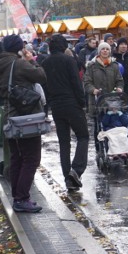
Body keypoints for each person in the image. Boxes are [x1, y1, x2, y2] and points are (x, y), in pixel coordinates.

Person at [0, 34, 47, 213]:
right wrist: (32, 60)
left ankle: (17, 196)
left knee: (17, 157)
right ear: (18, 47)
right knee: (32, 158)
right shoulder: (19, 64)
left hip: (10, 115)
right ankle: (22, 198)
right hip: (26, 118)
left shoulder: (0, 64)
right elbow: (41, 76)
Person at [41, 34, 88, 192]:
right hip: (72, 103)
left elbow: (45, 85)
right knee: (83, 136)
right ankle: (76, 170)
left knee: (64, 142)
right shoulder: (69, 60)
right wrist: (82, 102)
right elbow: (76, 82)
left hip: (56, 105)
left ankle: (67, 177)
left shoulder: (45, 62)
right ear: (64, 46)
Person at [84, 41, 124, 148]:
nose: (105, 51)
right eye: (103, 49)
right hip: (97, 101)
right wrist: (93, 90)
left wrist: (120, 88)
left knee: (113, 125)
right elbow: (87, 82)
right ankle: (100, 148)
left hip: (112, 101)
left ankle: (114, 147)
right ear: (99, 51)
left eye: (107, 49)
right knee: (98, 126)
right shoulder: (92, 66)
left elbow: (120, 80)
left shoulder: (114, 65)